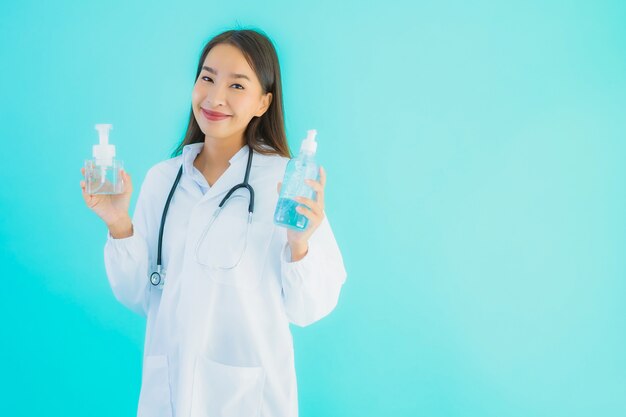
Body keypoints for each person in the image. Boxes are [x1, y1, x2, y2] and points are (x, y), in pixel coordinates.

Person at [79, 28, 347, 417]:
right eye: (207, 78)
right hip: (168, 395)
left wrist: (300, 245)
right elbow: (139, 296)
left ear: (263, 103)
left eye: (237, 85)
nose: (215, 97)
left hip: (250, 398)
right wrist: (118, 222)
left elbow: (311, 308)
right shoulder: (162, 180)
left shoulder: (286, 182)